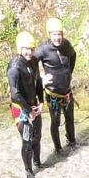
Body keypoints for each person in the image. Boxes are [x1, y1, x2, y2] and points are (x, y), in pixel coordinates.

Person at [34, 17, 78, 155]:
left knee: (70, 119)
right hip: (53, 94)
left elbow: (73, 55)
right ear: (49, 34)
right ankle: (58, 149)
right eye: (54, 35)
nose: (57, 38)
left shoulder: (66, 45)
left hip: (67, 92)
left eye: (59, 34)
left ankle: (72, 142)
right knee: (56, 121)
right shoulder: (43, 49)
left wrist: (69, 72)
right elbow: (31, 63)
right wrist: (41, 77)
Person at [8, 31, 43, 178]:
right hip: (21, 108)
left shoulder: (34, 61)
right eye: (26, 49)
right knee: (27, 140)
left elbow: (39, 82)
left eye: (32, 49)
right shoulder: (14, 67)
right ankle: (28, 171)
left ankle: (37, 161)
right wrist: (29, 111)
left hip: (33, 104)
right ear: (20, 48)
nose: (29, 52)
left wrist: (41, 101)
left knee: (38, 136)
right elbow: (15, 94)